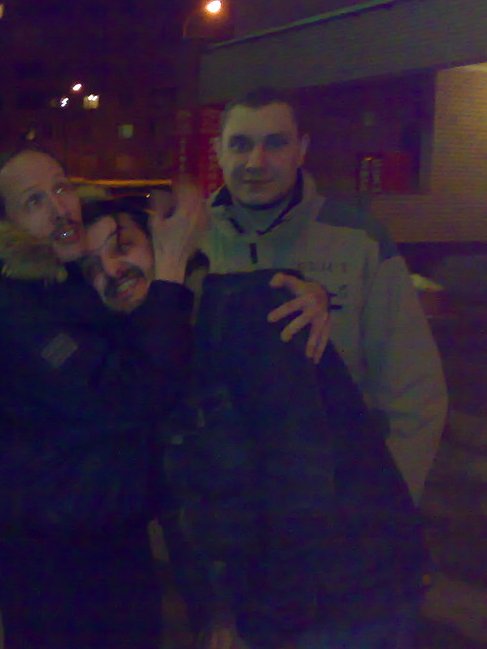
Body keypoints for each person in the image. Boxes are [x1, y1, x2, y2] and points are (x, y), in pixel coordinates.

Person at [80, 199, 430, 649]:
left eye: (123, 246)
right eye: (92, 268)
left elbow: (302, 484)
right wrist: (216, 611)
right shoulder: (147, 363)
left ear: (162, 247)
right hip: (278, 599)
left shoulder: (248, 312)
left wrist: (262, 623)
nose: (111, 270)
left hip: (347, 592)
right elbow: (185, 500)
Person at [0, 145, 204, 649]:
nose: (59, 208)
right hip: (57, 562)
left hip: (113, 538)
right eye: (34, 201)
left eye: (61, 187)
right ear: (5, 225)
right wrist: (171, 272)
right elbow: (129, 394)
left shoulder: (63, 282)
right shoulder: (11, 309)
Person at [203, 86, 447, 503]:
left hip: (332, 500)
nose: (256, 162)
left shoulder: (359, 242)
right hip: (219, 504)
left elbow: (415, 395)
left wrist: (389, 503)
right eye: (240, 144)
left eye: (275, 144)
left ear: (301, 150)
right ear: (218, 152)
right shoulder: (185, 242)